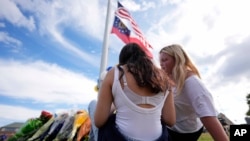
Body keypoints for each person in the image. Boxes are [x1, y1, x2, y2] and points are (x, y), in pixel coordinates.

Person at [94, 43, 176, 141]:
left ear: (122, 61)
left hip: (119, 137)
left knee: (93, 105)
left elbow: (99, 121)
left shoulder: (114, 73)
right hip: (158, 138)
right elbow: (170, 120)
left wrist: (115, 106)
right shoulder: (163, 77)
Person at [159, 44, 229, 141]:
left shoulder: (192, 82)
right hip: (170, 127)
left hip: (185, 132)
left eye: (165, 60)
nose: (161, 64)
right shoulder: (166, 80)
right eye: (160, 61)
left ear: (177, 59)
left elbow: (208, 117)